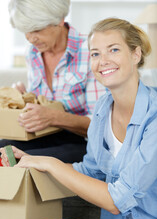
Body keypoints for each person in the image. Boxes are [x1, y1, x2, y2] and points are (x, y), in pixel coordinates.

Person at [1, 17, 157, 219]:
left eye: (113, 50)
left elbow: (117, 202)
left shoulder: (156, 115)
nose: (103, 60)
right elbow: (90, 172)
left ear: (136, 54)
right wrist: (32, 161)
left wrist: (51, 162)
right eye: (95, 54)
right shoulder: (103, 110)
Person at [0, 0, 105, 163]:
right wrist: (23, 98)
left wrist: (54, 117)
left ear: (59, 20)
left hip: (86, 143)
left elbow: (101, 126)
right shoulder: (33, 53)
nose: (30, 38)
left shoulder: (91, 51)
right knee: (3, 149)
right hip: (48, 134)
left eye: (36, 29)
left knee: (22, 160)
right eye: (25, 31)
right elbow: (43, 105)